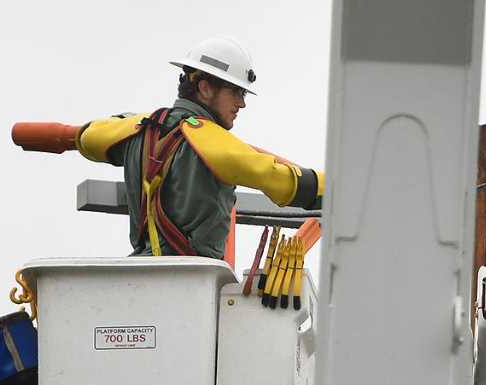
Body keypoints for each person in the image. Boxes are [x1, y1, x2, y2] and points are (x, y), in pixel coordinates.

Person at [75, 36, 326, 260]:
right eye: (236, 92)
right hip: (192, 279)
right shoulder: (209, 140)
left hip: (140, 270)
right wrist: (335, 190)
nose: (241, 103)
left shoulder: (138, 127)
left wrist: (127, 120)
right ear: (205, 88)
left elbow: (89, 138)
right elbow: (273, 177)